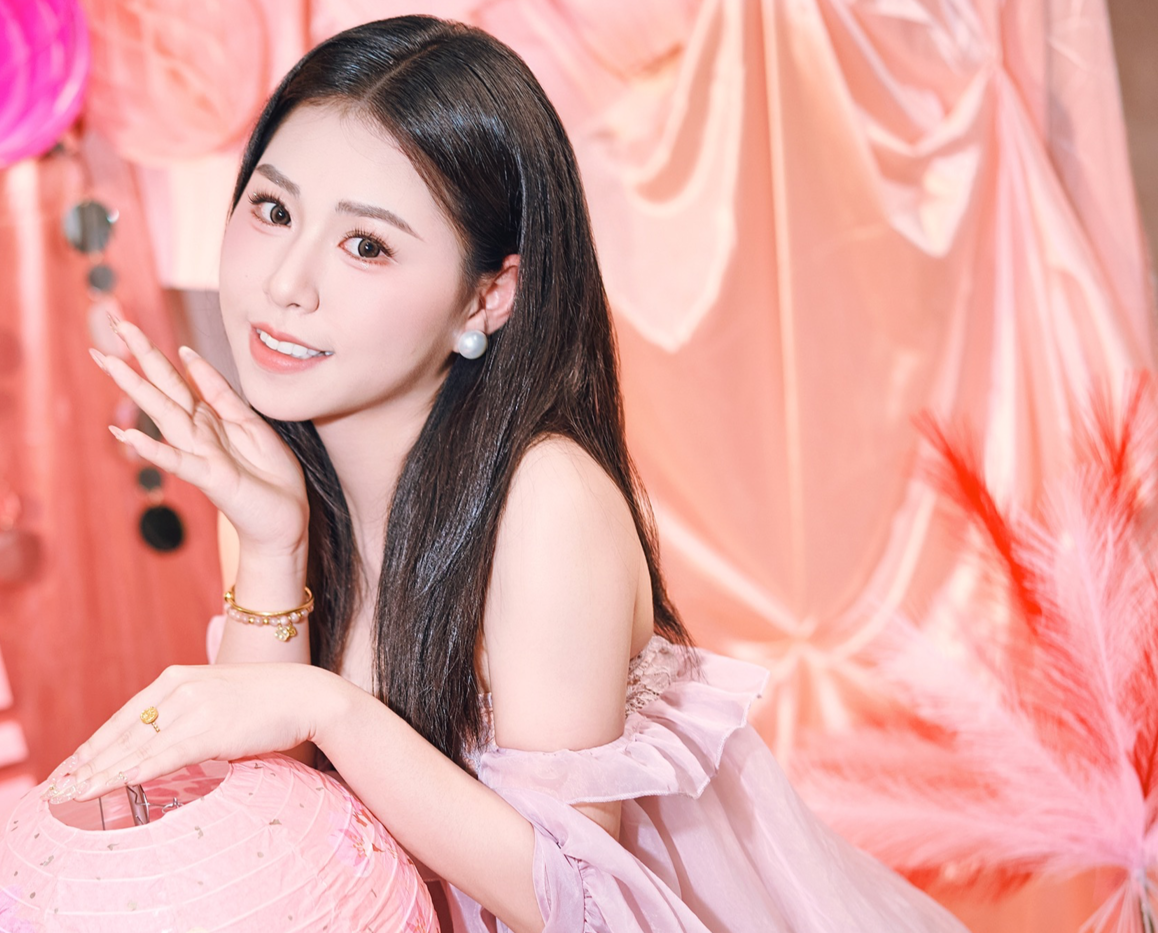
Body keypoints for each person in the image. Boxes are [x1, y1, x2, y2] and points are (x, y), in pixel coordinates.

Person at [50, 15, 970, 933]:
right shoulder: (276, 486)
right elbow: (275, 844)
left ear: (488, 297)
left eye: (366, 245)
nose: (286, 283)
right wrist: (268, 547)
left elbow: (584, 906)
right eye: (274, 210)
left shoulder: (545, 504)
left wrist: (328, 707)